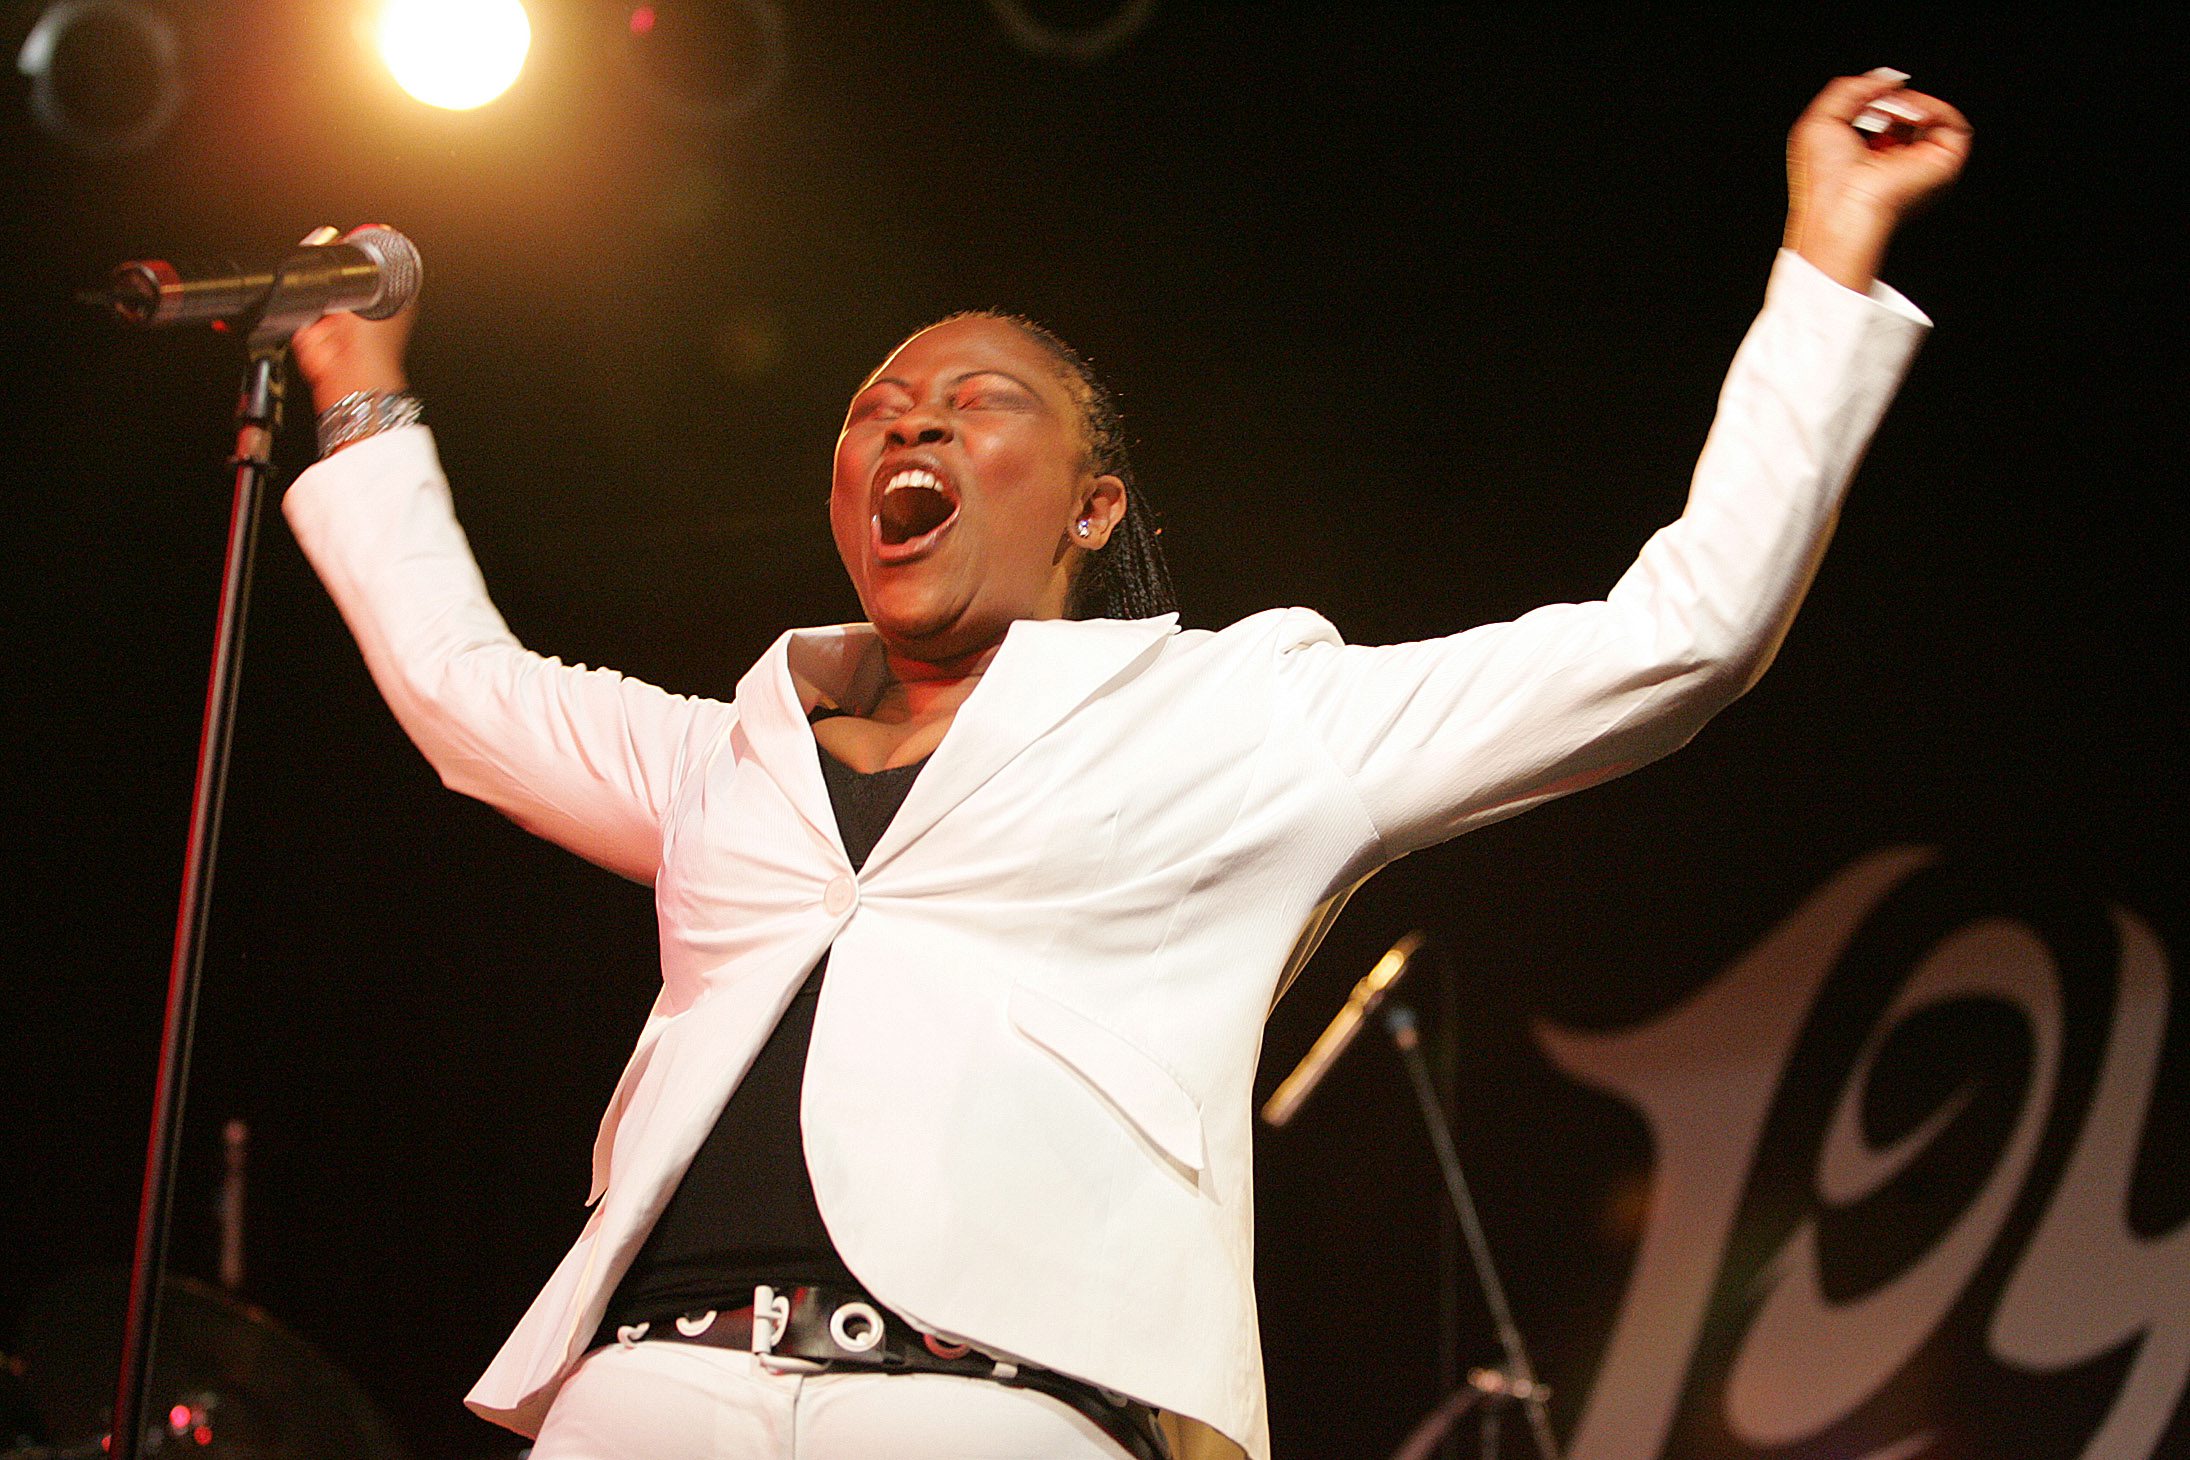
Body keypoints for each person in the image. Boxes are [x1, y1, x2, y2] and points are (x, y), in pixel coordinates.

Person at [286, 70, 1968, 1460]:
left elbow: (1677, 637)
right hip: (641, 1399)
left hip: (984, 1412)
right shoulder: (728, 754)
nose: (913, 423)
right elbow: (463, 693)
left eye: (976, 401)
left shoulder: (1236, 724)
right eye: (878, 406)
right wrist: (361, 390)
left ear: (1091, 510)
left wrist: (1827, 257)